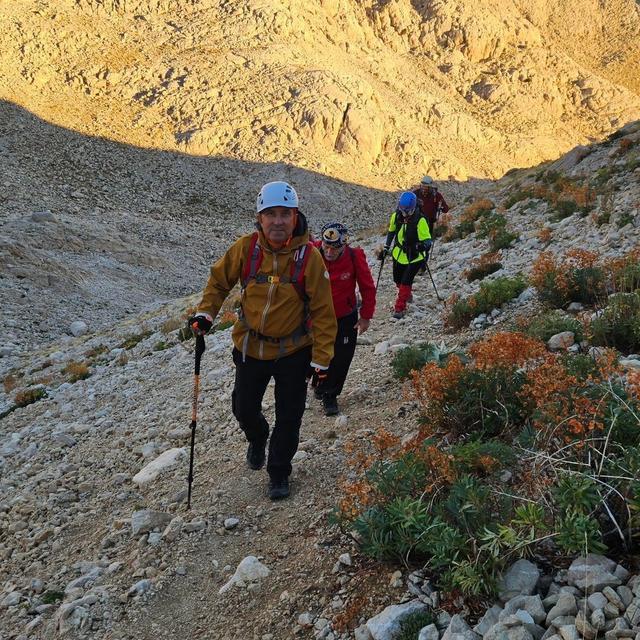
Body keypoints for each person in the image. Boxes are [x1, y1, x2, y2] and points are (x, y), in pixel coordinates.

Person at [188, 181, 337, 500]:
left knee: (290, 414)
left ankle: (279, 471)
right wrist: (206, 313)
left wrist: (321, 360)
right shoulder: (246, 248)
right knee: (243, 407)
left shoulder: (309, 258)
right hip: (251, 346)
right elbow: (218, 282)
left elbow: (324, 313)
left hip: (294, 351)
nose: (278, 221)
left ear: (295, 217)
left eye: (285, 214)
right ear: (260, 218)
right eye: (271, 214)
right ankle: (257, 437)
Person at [312, 221, 376, 416]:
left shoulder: (354, 256)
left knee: (341, 358)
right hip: (316, 316)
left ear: (344, 245)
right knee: (316, 354)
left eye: (335, 248)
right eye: (327, 246)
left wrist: (365, 316)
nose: (329, 252)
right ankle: (319, 383)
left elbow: (367, 286)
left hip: (344, 315)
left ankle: (330, 395)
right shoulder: (312, 252)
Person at [384, 191, 432, 319]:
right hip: (398, 254)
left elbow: (427, 241)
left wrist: (421, 246)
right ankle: (407, 293)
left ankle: (400, 307)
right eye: (402, 210)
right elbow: (391, 232)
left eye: (407, 211)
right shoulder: (396, 216)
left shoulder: (420, 220)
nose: (404, 214)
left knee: (406, 281)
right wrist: (386, 247)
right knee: (398, 280)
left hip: (415, 256)